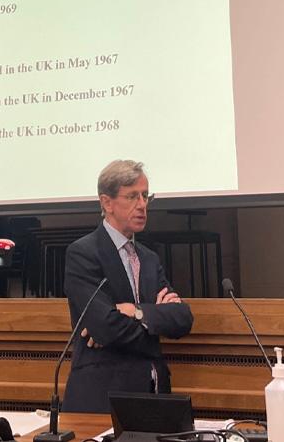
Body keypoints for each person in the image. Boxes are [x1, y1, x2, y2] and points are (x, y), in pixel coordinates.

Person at [61, 160, 194, 413]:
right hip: (103, 397)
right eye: (132, 196)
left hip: (153, 396)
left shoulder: (149, 258)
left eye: (146, 196)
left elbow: (182, 318)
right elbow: (106, 329)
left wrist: (137, 312)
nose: (142, 205)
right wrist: (155, 322)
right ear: (107, 203)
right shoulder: (83, 253)